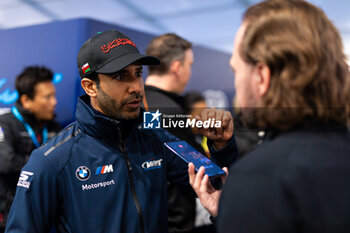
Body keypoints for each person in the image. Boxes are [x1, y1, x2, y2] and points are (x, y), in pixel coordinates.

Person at [5, 30, 237, 233]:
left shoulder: (156, 136)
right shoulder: (51, 161)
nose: (136, 87)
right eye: (120, 76)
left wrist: (222, 146)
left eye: (137, 73)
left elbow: (215, 183)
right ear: (90, 86)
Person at [189, 0, 350, 233]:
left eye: (236, 70)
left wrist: (242, 204)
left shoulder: (259, 180)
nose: (236, 82)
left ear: (262, 77)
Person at [144, 33, 206, 233]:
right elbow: (197, 169)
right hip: (172, 222)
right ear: (177, 68)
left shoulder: (133, 104)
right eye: (190, 65)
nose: (189, 72)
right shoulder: (170, 111)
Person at [0, 66, 61, 232]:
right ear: (26, 100)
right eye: (47, 97)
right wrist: (45, 169)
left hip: (48, 215)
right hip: (10, 215)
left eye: (54, 95)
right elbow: (5, 161)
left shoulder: (55, 127)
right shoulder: (4, 123)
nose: (54, 102)